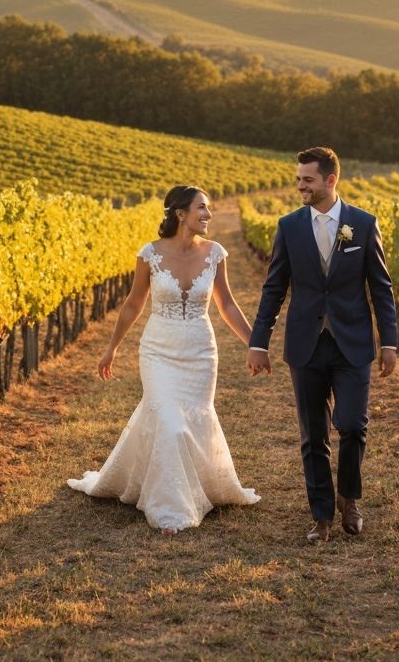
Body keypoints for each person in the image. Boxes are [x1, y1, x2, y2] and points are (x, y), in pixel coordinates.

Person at [68, 185, 259, 533]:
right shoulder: (150, 254)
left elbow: (227, 305)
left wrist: (255, 343)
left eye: (209, 208)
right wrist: (111, 347)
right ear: (180, 214)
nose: (208, 214)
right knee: (169, 421)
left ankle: (194, 486)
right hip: (158, 351)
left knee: (192, 421)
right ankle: (171, 507)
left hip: (201, 352)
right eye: (201, 208)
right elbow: (133, 303)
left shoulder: (216, 253)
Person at [246, 147, 397, 544]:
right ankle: (321, 516)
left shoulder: (363, 225)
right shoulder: (289, 226)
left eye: (307, 179)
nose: (300, 186)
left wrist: (391, 343)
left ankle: (350, 498)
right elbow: (274, 287)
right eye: (298, 179)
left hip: (353, 343)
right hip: (306, 343)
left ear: (330, 180)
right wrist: (258, 342)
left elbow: (381, 288)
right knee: (313, 434)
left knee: (351, 424)